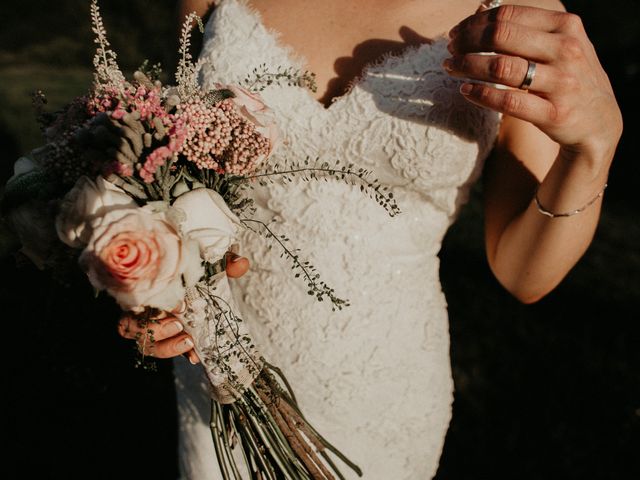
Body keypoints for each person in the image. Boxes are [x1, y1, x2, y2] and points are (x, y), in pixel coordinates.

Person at [118, 0, 622, 478]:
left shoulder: (520, 14)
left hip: (380, 389)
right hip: (216, 372)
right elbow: (171, 162)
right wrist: (155, 281)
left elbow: (522, 273)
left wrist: (594, 147)